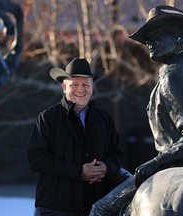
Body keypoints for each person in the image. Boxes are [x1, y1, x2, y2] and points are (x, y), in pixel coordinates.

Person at [89, 5, 183, 216]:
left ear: (180, 38)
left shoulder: (173, 76)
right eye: (147, 36)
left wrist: (153, 164)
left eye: (156, 34)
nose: (149, 41)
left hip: (176, 166)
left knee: (100, 209)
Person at [28, 58, 131, 216]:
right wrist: (78, 172)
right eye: (74, 84)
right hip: (57, 208)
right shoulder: (47, 118)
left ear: (92, 87)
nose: (80, 90)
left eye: (85, 84)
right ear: (64, 87)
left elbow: (117, 154)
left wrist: (106, 168)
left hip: (97, 207)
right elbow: (37, 160)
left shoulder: (103, 119)